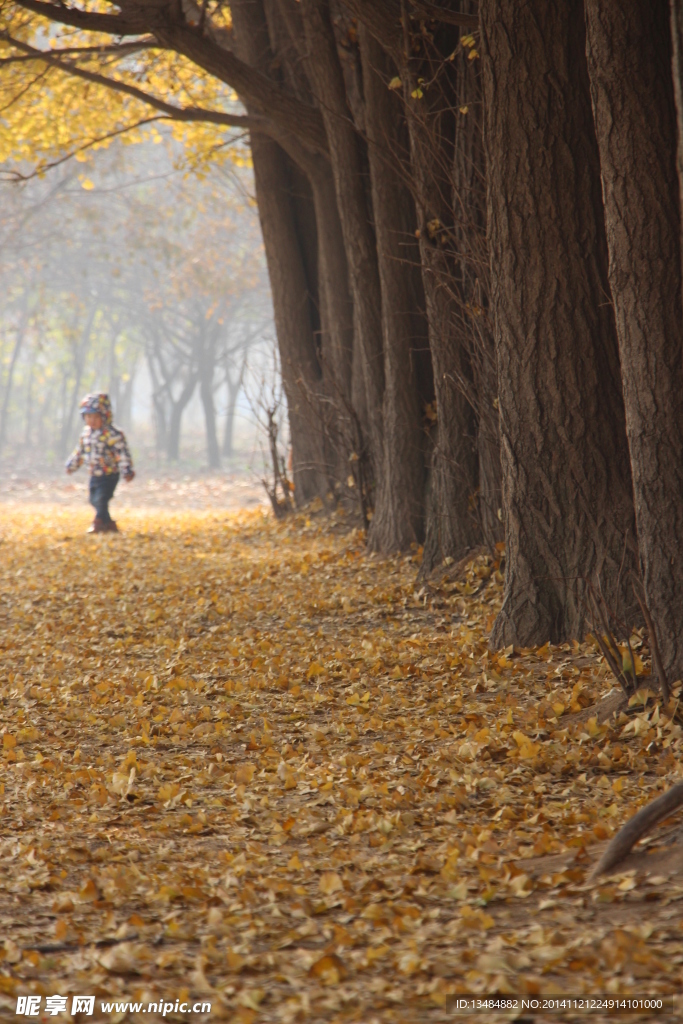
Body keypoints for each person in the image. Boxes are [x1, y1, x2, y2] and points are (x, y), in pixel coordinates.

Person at [65, 393, 135, 533]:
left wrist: (127, 470)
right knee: (93, 499)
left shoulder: (112, 434)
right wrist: (72, 465)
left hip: (109, 474)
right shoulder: (86, 434)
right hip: (94, 474)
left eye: (96, 417)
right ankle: (109, 523)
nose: (92, 421)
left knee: (101, 499)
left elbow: (122, 453)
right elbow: (80, 452)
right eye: (88, 417)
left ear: (105, 416)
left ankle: (98, 523)